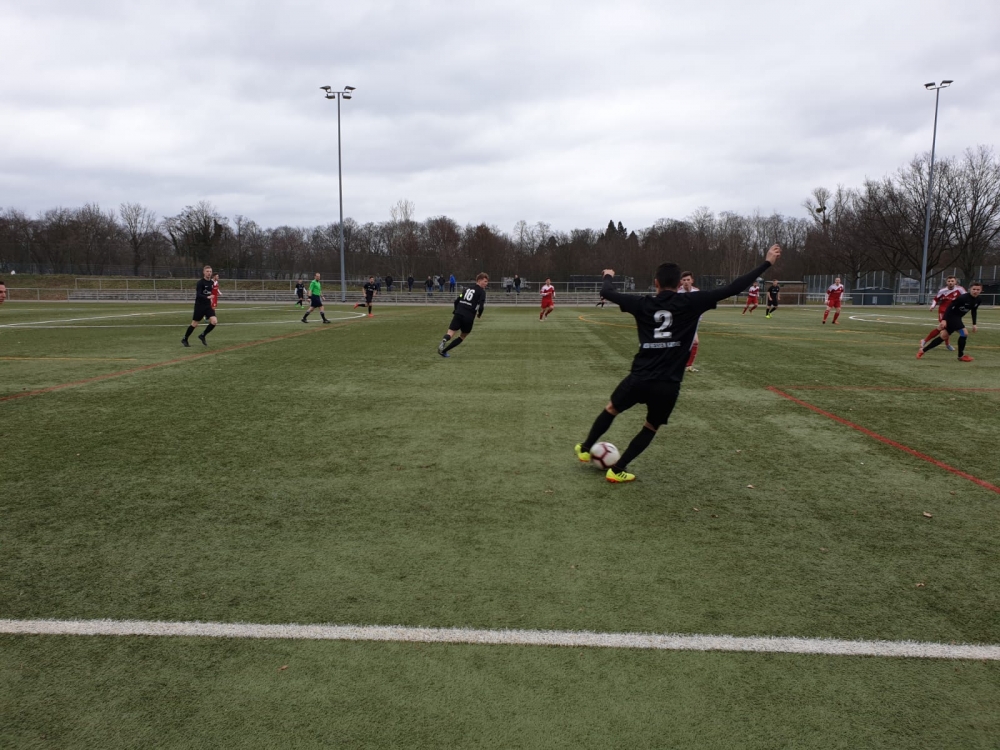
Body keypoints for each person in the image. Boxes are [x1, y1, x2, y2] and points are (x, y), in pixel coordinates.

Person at [575, 245, 781, 483]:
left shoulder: (642, 304)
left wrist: (608, 276)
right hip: (668, 383)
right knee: (650, 426)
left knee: (612, 409)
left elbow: (607, 292)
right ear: (677, 283)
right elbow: (734, 287)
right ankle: (618, 469)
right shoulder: (692, 302)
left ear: (656, 283)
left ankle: (585, 448)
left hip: (639, 377)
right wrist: (766, 263)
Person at [917, 282, 982, 362]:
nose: (975, 291)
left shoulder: (979, 300)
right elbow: (949, 307)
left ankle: (922, 351)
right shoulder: (963, 298)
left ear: (981, 290)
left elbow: (974, 311)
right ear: (970, 289)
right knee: (964, 333)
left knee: (944, 336)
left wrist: (974, 324)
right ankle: (961, 356)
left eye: (978, 290)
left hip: (957, 318)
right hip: (952, 317)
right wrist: (944, 319)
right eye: (974, 289)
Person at [437, 273, 489, 357]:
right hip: (468, 317)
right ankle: (444, 351)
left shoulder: (467, 289)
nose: (486, 283)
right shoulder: (482, 292)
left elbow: (456, 301)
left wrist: (456, 310)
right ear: (479, 281)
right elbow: (481, 306)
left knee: (450, 333)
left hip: (458, 313)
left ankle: (444, 340)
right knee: (463, 336)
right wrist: (479, 314)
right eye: (485, 281)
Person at [923, 276, 966, 351]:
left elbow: (966, 297)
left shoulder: (960, 289)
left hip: (953, 313)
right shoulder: (943, 291)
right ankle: (946, 344)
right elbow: (936, 299)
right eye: (949, 281)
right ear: (946, 282)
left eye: (952, 281)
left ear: (955, 282)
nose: (950, 283)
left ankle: (925, 341)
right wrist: (932, 306)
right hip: (943, 312)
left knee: (946, 329)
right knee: (943, 327)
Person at [182, 265, 219, 347]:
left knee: (214, 321)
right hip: (200, 306)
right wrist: (207, 297)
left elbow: (213, 293)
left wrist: (214, 299)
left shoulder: (212, 283)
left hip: (208, 306)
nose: (209, 273)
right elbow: (198, 295)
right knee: (194, 324)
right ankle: (185, 338)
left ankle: (202, 335)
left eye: (210, 271)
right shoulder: (200, 283)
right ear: (204, 272)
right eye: (207, 271)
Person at [676, 271, 700, 372]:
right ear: (681, 281)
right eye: (684, 280)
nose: (686, 282)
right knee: (679, 343)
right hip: (680, 322)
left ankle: (688, 365)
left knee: (695, 342)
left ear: (692, 281)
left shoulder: (696, 292)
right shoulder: (677, 292)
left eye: (688, 280)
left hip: (692, 322)